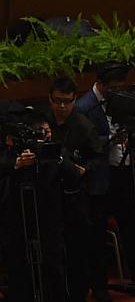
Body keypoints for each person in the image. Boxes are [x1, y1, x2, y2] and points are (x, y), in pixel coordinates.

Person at [76, 62, 135, 290]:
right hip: (98, 180)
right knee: (96, 235)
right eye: (114, 87)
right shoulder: (84, 107)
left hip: (123, 171)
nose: (118, 91)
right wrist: (110, 141)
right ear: (100, 84)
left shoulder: (121, 100)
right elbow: (83, 147)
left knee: (132, 228)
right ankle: (99, 286)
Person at [1, 109, 82, 302]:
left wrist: (58, 159)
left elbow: (75, 177)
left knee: (54, 270)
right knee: (21, 274)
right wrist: (17, 165)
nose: (45, 136)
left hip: (50, 224)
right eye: (40, 132)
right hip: (19, 226)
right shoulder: (13, 155)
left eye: (47, 131)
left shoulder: (56, 150)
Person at [44, 77, 105, 302]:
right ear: (50, 99)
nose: (62, 107)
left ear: (74, 100)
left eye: (67, 102)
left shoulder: (83, 125)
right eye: (57, 101)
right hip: (47, 197)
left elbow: (98, 159)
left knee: (77, 252)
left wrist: (84, 170)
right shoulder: (43, 122)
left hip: (74, 199)